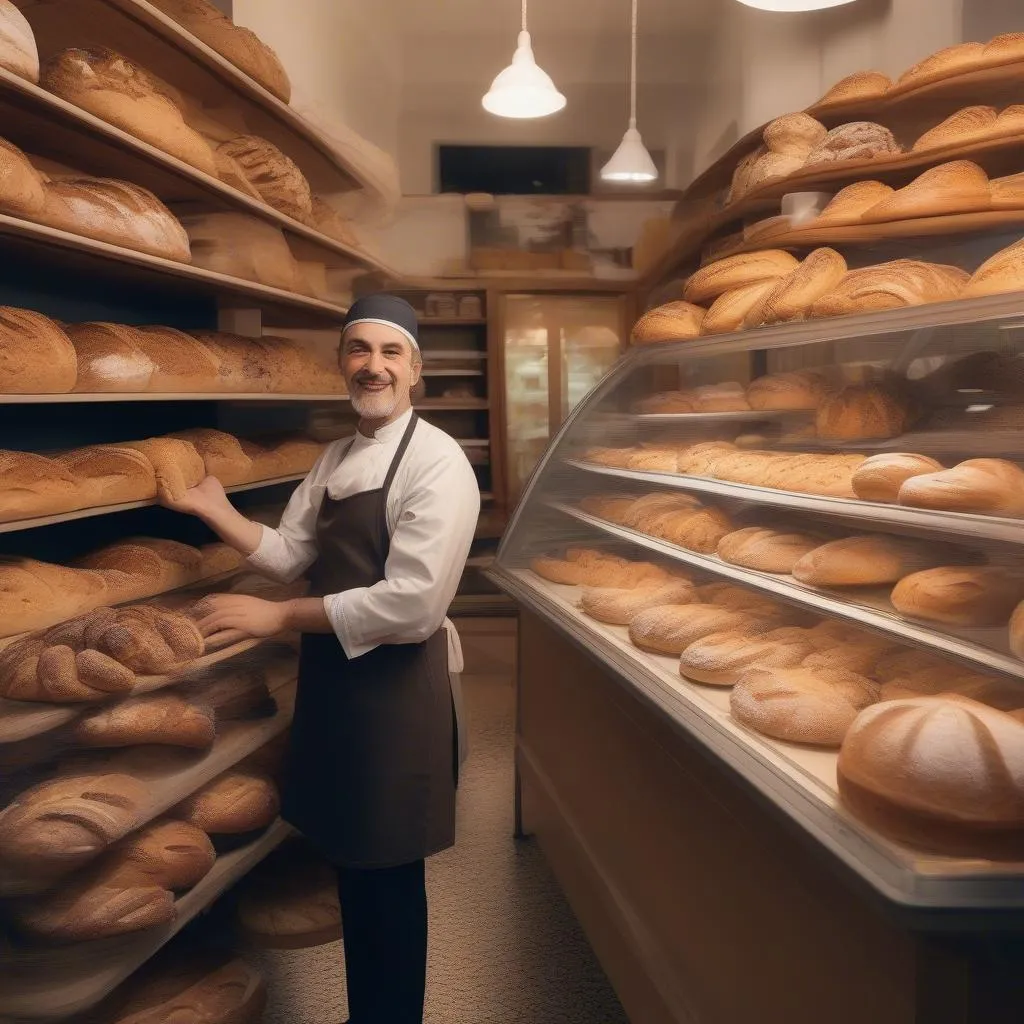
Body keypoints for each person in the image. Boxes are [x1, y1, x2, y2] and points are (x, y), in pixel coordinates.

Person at [160, 294, 480, 1024]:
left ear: (416, 370)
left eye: (390, 353)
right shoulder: (336, 456)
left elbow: (412, 605)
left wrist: (280, 617)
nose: (374, 366)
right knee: (352, 868)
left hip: (397, 694)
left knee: (389, 878)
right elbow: (293, 554)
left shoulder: (438, 464)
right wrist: (221, 514)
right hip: (338, 685)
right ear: (342, 363)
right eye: (359, 351)